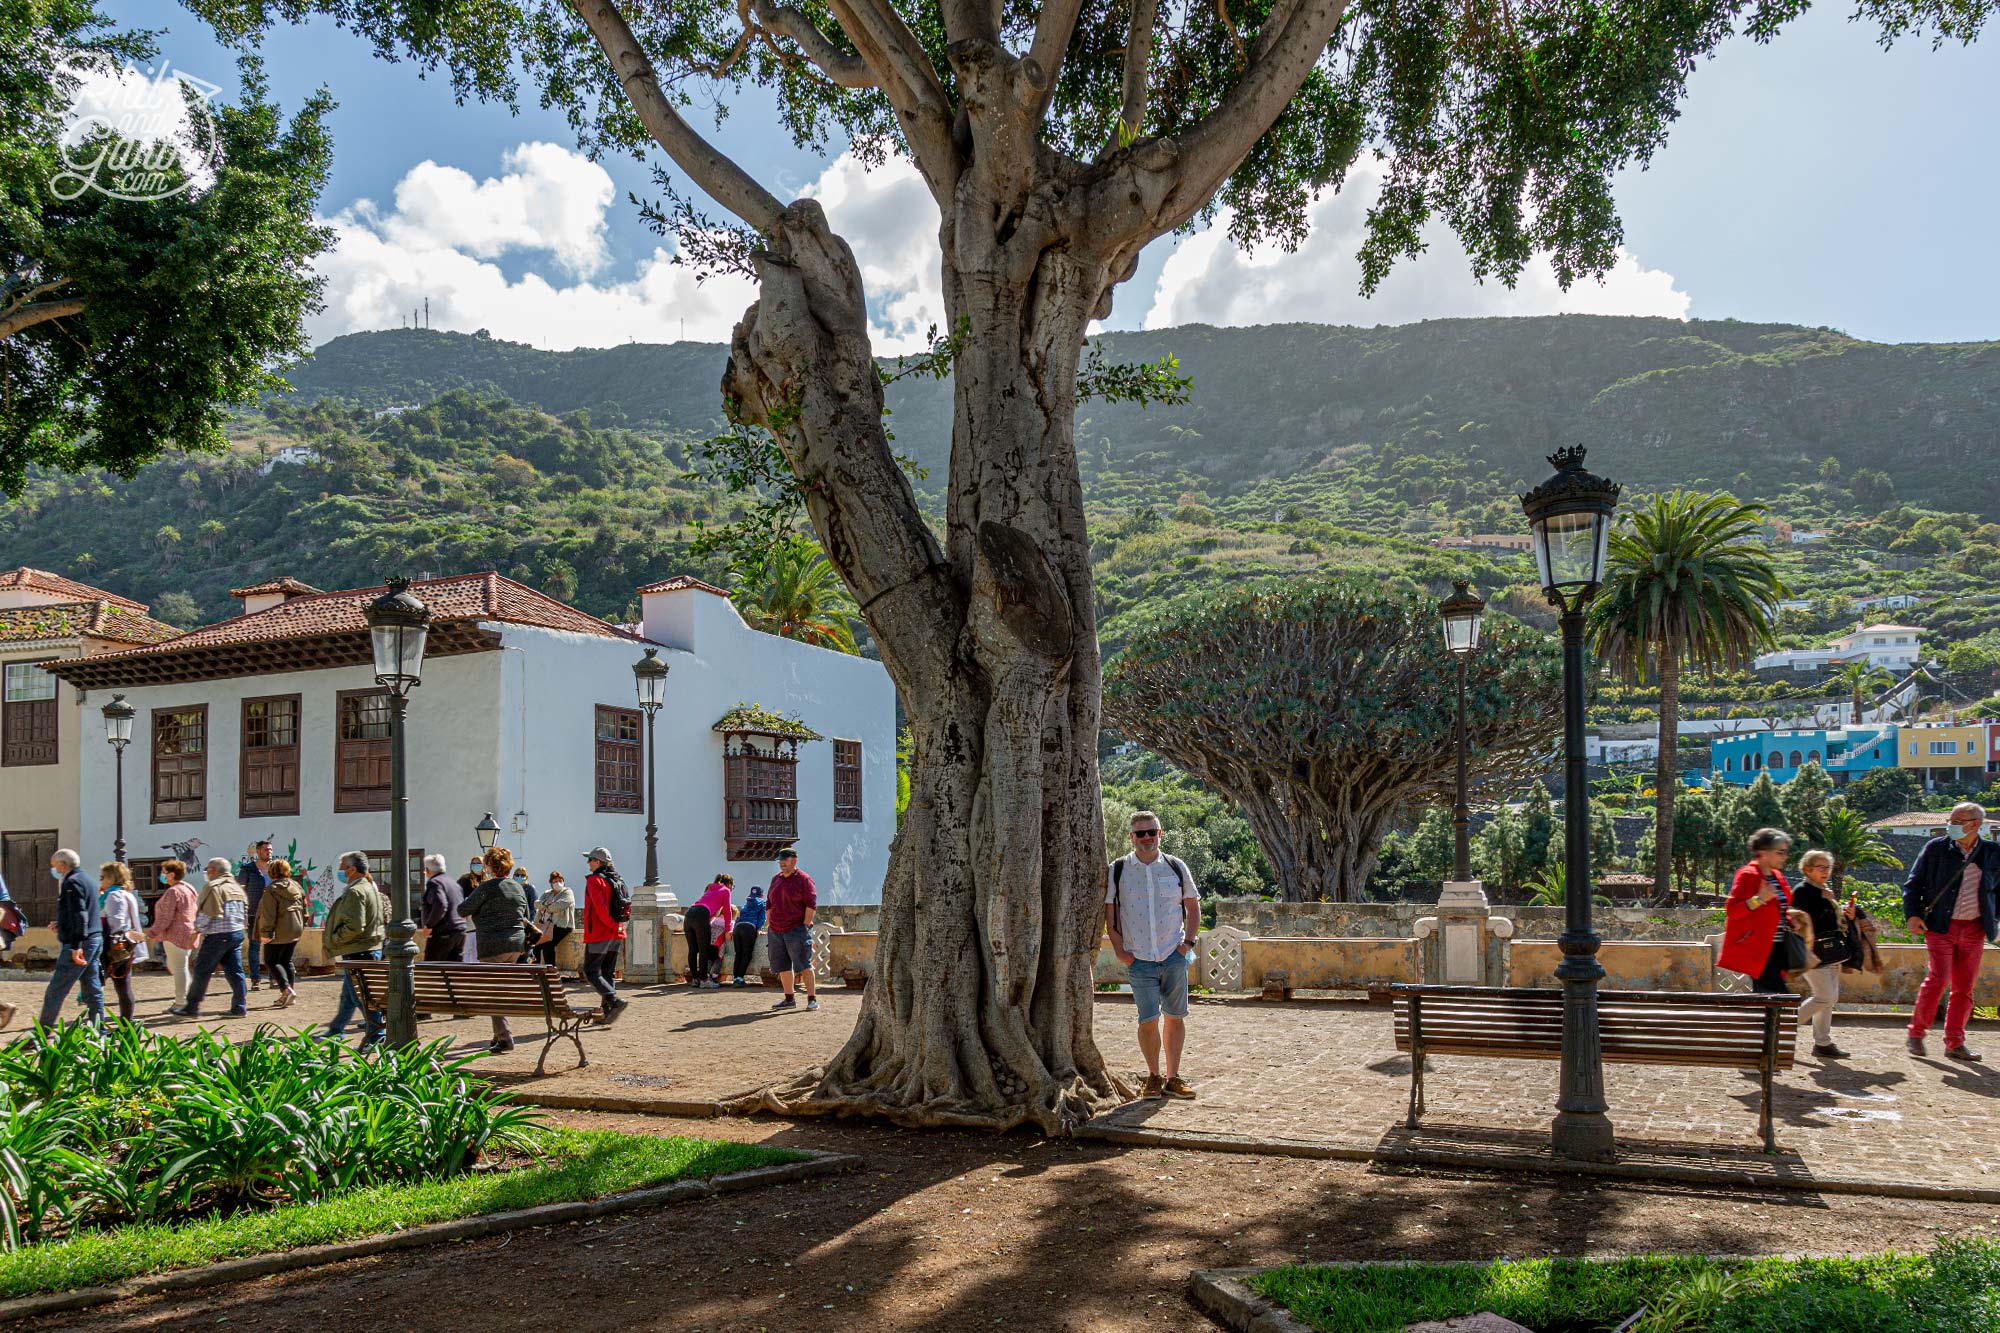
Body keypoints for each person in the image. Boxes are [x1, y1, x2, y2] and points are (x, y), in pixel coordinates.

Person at [1105, 810, 1200, 1099]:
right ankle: (1154, 1076)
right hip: (1139, 958)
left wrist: (1187, 945)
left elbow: (1193, 908)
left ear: (1159, 833)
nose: (1146, 837)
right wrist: (1121, 951)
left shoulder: (1175, 866)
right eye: (1140, 833)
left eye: (1151, 832)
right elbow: (1111, 913)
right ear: (1132, 837)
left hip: (1173, 954)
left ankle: (1173, 1077)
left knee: (1174, 1016)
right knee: (1147, 1019)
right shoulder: (1118, 869)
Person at [1903, 801, 2000, 1061]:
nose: (1951, 825)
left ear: (1975, 824)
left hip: (1975, 929)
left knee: (1964, 987)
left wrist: (1995, 920)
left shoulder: (1993, 853)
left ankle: (1955, 1042)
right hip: (1939, 926)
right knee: (1938, 978)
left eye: (1958, 821)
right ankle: (1916, 1033)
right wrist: (1912, 915)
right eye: (1951, 820)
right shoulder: (1936, 848)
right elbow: (1913, 884)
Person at [460, 846, 533, 1054]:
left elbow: (463, 909)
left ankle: (504, 1037)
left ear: (490, 866)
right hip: (515, 946)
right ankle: (498, 1034)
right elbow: (525, 915)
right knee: (499, 988)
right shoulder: (518, 888)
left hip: (492, 945)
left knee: (493, 992)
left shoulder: (486, 887)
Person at [1720, 828, 1808, 996]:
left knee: (1769, 1000)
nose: (1785, 856)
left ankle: (1766, 1022)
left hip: (1779, 948)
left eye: (1785, 852)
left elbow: (1780, 909)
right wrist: (1758, 899)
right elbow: (1732, 911)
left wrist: (1790, 921)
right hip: (1759, 950)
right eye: (1780, 852)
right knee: (1778, 998)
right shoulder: (1748, 875)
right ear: (1763, 852)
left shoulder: (1777, 876)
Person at [1791, 849, 1858, 1060]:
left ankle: (1822, 1042)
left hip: (1830, 952)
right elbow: (1805, 920)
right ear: (1807, 869)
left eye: (1827, 867)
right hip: (1811, 951)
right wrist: (1825, 900)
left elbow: (1831, 921)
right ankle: (1783, 1028)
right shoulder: (1803, 891)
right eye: (1821, 867)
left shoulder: (1822, 890)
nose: (1826, 871)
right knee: (1824, 996)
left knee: (1830, 998)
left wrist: (1847, 914)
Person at [323, 851, 388, 1052]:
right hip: (368, 948)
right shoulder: (370, 888)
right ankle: (336, 1029)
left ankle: (377, 1034)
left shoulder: (355, 891)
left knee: (362, 997)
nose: (340, 871)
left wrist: (334, 938)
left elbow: (355, 926)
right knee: (349, 995)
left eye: (343, 867)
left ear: (352, 870)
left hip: (358, 951)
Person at [173, 857, 250, 1020]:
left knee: (202, 970)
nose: (206, 873)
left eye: (208, 869)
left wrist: (196, 930)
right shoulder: (236, 888)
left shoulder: (213, 887)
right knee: (235, 971)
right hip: (236, 933)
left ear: (214, 871)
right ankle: (239, 1007)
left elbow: (208, 913)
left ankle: (192, 1007)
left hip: (218, 935)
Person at [38, 850, 104, 1028]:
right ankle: (99, 1030)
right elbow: (82, 912)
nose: (55, 870)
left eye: (55, 866)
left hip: (81, 942)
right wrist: (61, 924)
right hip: (95, 938)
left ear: (62, 864)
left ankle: (42, 1033)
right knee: (92, 989)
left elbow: (80, 915)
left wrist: (76, 946)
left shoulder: (71, 882)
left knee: (56, 990)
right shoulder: (88, 880)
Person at [765, 849, 818, 1011]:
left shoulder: (804, 879)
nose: (782, 863)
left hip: (796, 929)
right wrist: (770, 923)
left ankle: (812, 999)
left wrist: (805, 924)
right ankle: (789, 999)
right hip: (776, 930)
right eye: (780, 860)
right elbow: (769, 903)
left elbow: (811, 903)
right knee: (782, 966)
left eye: (785, 860)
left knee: (804, 965)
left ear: (794, 861)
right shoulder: (776, 879)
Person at [580, 848, 629, 1023]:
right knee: (607, 972)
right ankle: (607, 1013)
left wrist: (610, 926)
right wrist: (616, 927)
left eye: (591, 859)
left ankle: (614, 1000)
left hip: (601, 932)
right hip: (617, 932)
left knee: (591, 970)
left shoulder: (595, 880)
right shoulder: (616, 879)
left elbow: (600, 909)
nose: (588, 863)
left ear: (598, 862)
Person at [254, 858, 309, 1008]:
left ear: (272, 872)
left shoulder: (271, 890)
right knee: (286, 960)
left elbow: (268, 914)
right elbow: (305, 909)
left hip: (278, 931)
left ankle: (286, 990)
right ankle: (289, 993)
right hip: (295, 929)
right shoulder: (297, 886)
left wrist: (266, 933)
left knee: (271, 960)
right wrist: (301, 925)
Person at [98, 862, 149, 1022]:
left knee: (98, 984)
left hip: (114, 945)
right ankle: (127, 1022)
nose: (101, 881)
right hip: (126, 945)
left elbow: (117, 923)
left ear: (112, 877)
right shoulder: (126, 894)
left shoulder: (114, 895)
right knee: (123, 986)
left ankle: (100, 1022)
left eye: (103, 877)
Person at [146, 859, 199, 1010]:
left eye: (164, 872)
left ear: (171, 874)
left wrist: (152, 932)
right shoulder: (189, 888)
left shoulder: (173, 891)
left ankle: (182, 1002)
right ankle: (187, 998)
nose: (162, 875)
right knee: (179, 966)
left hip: (175, 934)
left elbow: (166, 916)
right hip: (188, 932)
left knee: (179, 968)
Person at [238, 837, 275, 991]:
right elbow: (240, 892)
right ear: (258, 851)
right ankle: (255, 979)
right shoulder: (248, 869)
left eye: (271, 850)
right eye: (266, 850)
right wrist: (244, 913)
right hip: (253, 913)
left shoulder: (276, 868)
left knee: (273, 946)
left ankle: (274, 978)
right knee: (254, 947)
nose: (269, 852)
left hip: (272, 913)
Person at [686, 874, 735, 988]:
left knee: (693, 950)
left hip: (690, 913)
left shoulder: (710, 889)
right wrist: (728, 930)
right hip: (702, 915)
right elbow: (727, 912)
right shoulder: (725, 890)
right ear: (729, 884)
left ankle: (695, 979)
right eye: (733, 886)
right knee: (704, 950)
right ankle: (704, 980)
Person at [419, 854, 467, 962]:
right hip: (459, 931)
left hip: (443, 932)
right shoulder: (453, 883)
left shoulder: (434, 883)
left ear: (427, 870)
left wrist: (429, 926)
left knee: (432, 968)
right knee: (454, 968)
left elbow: (440, 904)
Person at [531, 871, 575, 968]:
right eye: (555, 881)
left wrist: (546, 906)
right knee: (536, 945)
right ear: (551, 883)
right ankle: (536, 969)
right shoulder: (547, 893)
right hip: (545, 925)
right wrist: (547, 904)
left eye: (560, 881)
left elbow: (561, 905)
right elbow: (536, 903)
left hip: (562, 926)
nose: (558, 883)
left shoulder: (567, 892)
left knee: (548, 946)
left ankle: (551, 971)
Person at [732, 884, 766, 986]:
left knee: (738, 953)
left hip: (737, 928)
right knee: (747, 954)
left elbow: (739, 917)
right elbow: (762, 917)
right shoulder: (763, 902)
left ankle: (735, 978)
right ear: (761, 895)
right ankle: (739, 978)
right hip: (749, 927)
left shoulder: (745, 904)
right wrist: (759, 928)